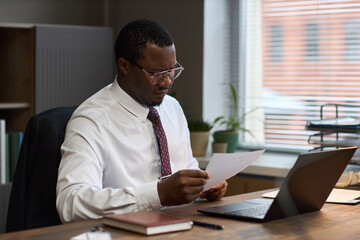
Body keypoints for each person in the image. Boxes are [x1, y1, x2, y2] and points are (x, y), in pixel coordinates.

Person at [56, 19, 228, 223]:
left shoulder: (172, 108)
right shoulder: (91, 121)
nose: (167, 82)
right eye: (156, 74)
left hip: (183, 227)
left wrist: (203, 185)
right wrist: (157, 195)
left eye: (172, 70)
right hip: (123, 233)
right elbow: (71, 203)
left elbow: (186, 166)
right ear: (124, 65)